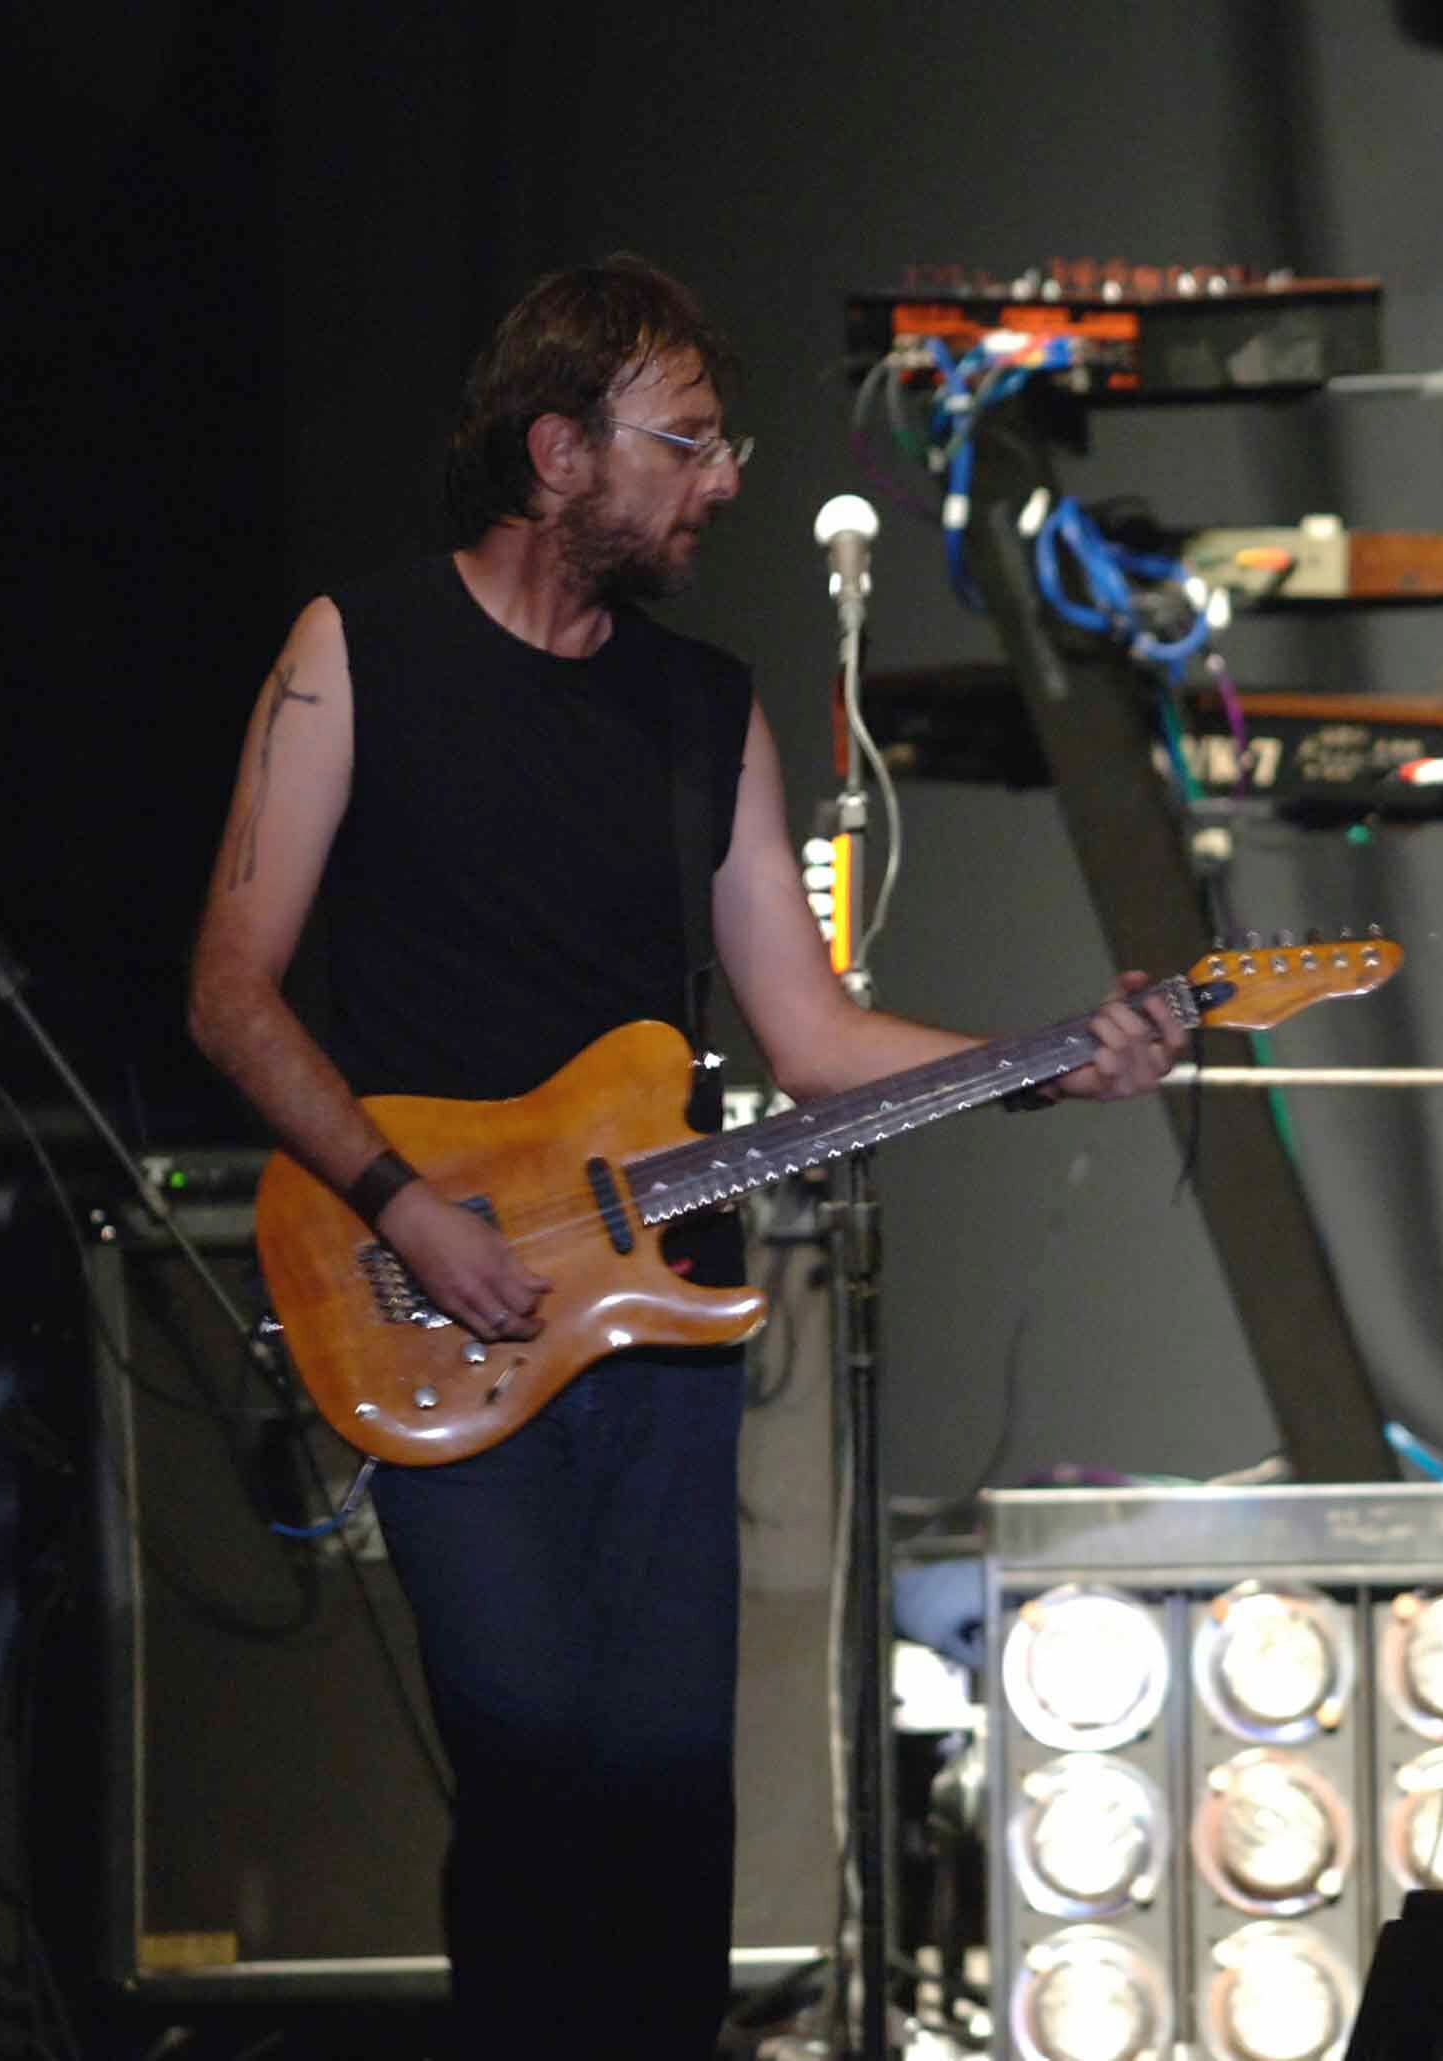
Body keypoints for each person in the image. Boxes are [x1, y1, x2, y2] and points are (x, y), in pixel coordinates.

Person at [185, 254, 1187, 2058]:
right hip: (434, 1290)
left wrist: (1051, 1061)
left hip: (660, 1306)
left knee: (661, 1793)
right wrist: (403, 1206)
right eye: (690, 443)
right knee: (529, 1762)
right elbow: (231, 993)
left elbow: (811, 1039)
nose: (723, 482)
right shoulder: (356, 651)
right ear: (557, 449)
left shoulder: (703, 705)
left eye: (729, 447)